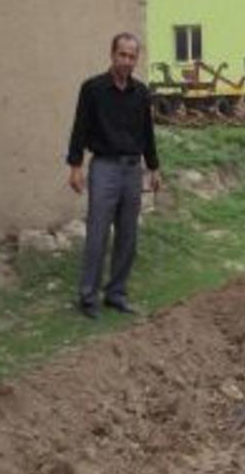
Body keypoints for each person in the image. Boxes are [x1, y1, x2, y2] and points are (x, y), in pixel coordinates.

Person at [66, 32, 162, 319]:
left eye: (132, 56)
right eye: (122, 54)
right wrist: (75, 166)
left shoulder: (141, 93)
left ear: (136, 59)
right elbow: (79, 128)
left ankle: (116, 294)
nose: (127, 61)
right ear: (112, 54)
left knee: (128, 235)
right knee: (97, 233)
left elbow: (147, 133)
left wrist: (154, 167)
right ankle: (87, 297)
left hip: (133, 170)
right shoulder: (93, 89)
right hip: (104, 168)